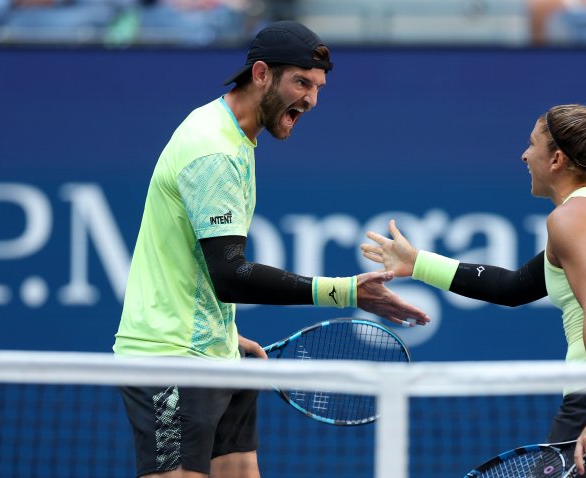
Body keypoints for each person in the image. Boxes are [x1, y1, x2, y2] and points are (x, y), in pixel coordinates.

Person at [113, 21, 430, 478]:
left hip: (215, 355)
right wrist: (346, 291)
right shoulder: (214, 151)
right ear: (261, 74)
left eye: (318, 87)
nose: (312, 100)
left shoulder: (236, 138)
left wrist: (224, 337)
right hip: (171, 361)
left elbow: (197, 264)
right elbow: (229, 274)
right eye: (301, 83)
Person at [362, 102, 586, 477]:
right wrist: (418, 263)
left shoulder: (571, 217)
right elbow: (514, 286)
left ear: (556, 159)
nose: (523, 154)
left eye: (531, 144)